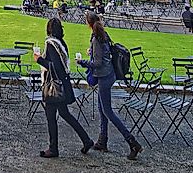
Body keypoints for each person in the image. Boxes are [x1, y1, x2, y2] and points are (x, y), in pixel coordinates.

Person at [78, 12, 143, 160]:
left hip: (104, 76)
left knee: (108, 112)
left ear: (88, 24)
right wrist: (92, 53)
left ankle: (132, 142)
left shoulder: (96, 38)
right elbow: (104, 54)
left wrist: (82, 62)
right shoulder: (103, 34)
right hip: (109, 74)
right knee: (102, 110)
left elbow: (97, 63)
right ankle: (103, 140)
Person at [34, 18, 94, 158]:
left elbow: (55, 67)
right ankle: (86, 140)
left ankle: (53, 148)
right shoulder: (62, 44)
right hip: (63, 84)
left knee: (51, 117)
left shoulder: (51, 44)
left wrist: (39, 60)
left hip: (54, 86)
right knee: (65, 114)